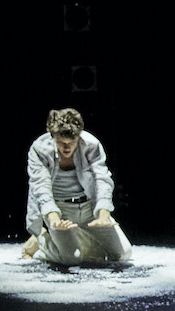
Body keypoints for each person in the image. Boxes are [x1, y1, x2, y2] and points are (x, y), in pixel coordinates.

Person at [21, 107, 131, 264]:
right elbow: (40, 186)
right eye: (61, 142)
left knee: (123, 254)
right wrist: (54, 219)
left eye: (72, 142)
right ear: (53, 136)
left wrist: (103, 214)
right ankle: (42, 241)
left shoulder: (91, 144)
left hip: (88, 207)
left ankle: (75, 239)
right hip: (58, 208)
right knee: (72, 258)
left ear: (79, 136)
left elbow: (102, 179)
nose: (67, 148)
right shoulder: (39, 149)